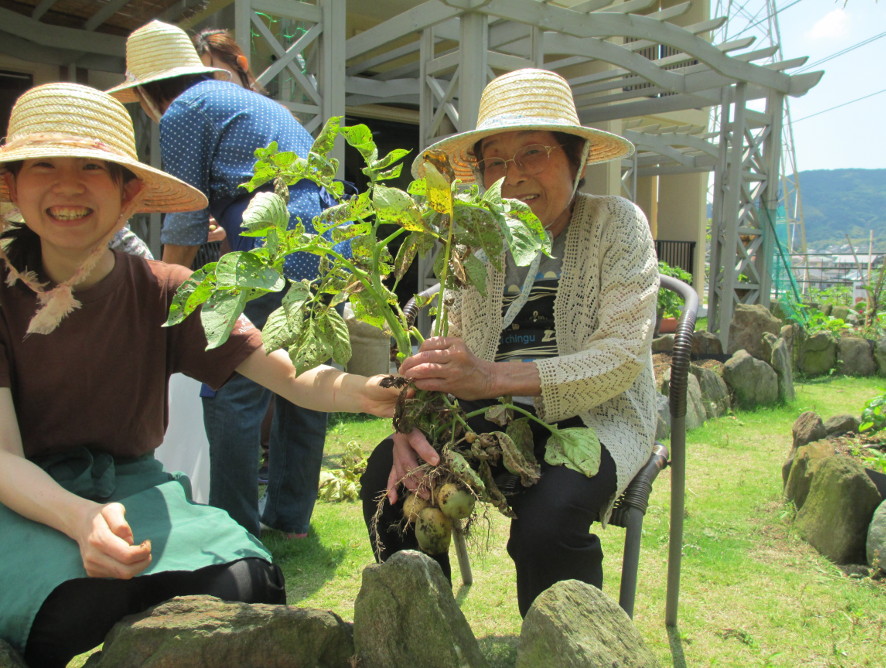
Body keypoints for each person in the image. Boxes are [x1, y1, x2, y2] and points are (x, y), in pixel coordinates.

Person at [0, 81, 421, 667]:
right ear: (12, 187)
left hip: (134, 489)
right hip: (25, 500)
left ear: (128, 193)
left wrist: (374, 390)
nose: (68, 185)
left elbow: (291, 376)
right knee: (60, 612)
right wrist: (80, 519)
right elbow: (4, 459)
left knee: (250, 583)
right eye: (43, 165)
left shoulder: (164, 290)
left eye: (93, 167)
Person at [359, 68, 660, 617]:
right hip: (494, 418)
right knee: (391, 479)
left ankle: (569, 651)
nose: (512, 176)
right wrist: (412, 423)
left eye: (532, 154)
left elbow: (621, 355)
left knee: (548, 523)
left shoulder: (617, 225)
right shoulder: (476, 240)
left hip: (598, 417)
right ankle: (426, 641)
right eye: (494, 161)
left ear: (577, 159)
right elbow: (455, 354)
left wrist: (493, 377)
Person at [108, 20, 339, 539]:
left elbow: (187, 213)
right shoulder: (250, 101)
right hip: (324, 242)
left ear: (145, 91)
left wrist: (166, 290)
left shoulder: (183, 111)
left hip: (272, 244)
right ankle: (289, 520)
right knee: (304, 375)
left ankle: (238, 528)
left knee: (235, 381)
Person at [193, 27, 268, 95]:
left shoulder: (264, 108)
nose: (211, 88)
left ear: (242, 64)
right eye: (202, 81)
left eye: (220, 77)